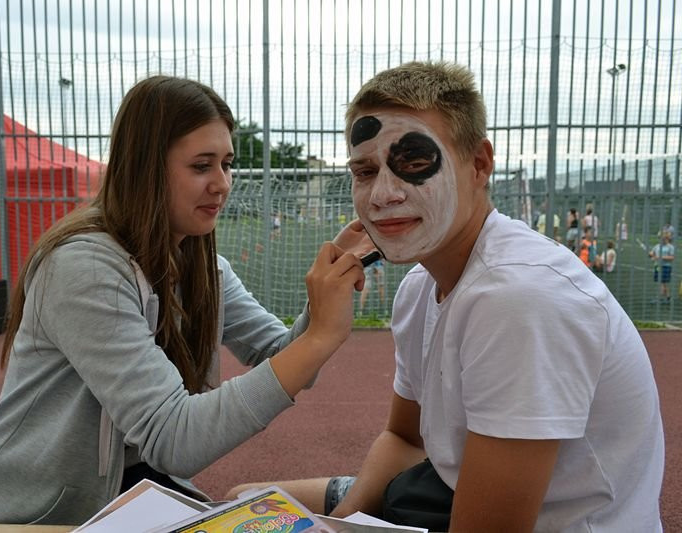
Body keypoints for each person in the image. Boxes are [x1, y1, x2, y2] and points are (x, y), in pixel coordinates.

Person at [228, 61, 664, 532]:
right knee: (243, 504)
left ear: (479, 164)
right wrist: (341, 523)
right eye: (364, 171)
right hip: (442, 492)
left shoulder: (520, 298)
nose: (382, 195)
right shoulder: (419, 287)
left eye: (414, 164)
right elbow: (404, 438)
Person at [0, 76, 370, 525]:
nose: (222, 183)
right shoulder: (82, 268)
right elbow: (174, 440)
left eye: (226, 163)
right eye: (201, 165)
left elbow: (283, 357)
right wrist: (319, 337)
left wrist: (324, 302)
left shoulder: (206, 268)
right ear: (145, 166)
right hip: (28, 516)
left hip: (127, 496)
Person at [649, 232, 675, 303]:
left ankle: (659, 298)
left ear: (666, 238)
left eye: (662, 238)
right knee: (662, 283)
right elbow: (652, 253)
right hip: (657, 266)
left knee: (662, 283)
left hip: (666, 267)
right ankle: (668, 297)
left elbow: (672, 257)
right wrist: (651, 254)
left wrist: (659, 257)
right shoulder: (657, 246)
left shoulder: (670, 247)